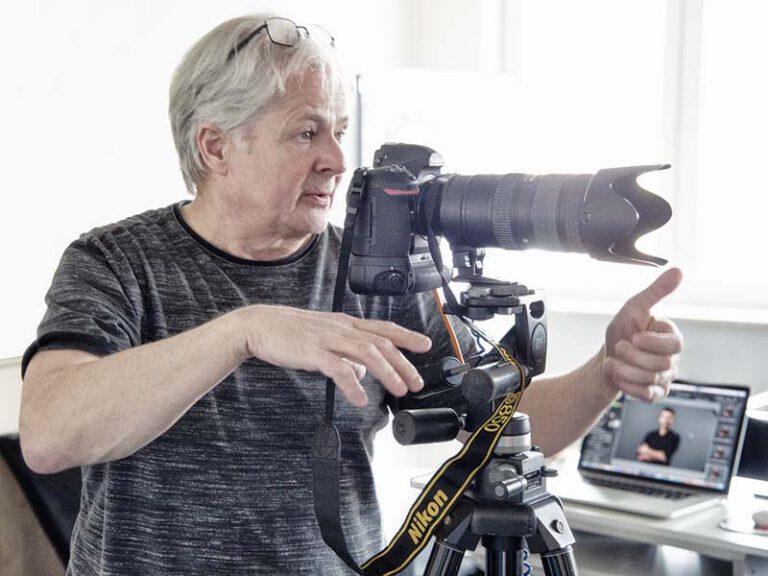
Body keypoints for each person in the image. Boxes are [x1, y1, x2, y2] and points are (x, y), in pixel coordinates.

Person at [19, 13, 684, 576]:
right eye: (307, 132)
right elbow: (50, 434)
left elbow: (496, 432)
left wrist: (606, 373)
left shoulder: (374, 268)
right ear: (217, 147)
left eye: (339, 129)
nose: (338, 159)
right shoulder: (114, 261)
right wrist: (243, 331)